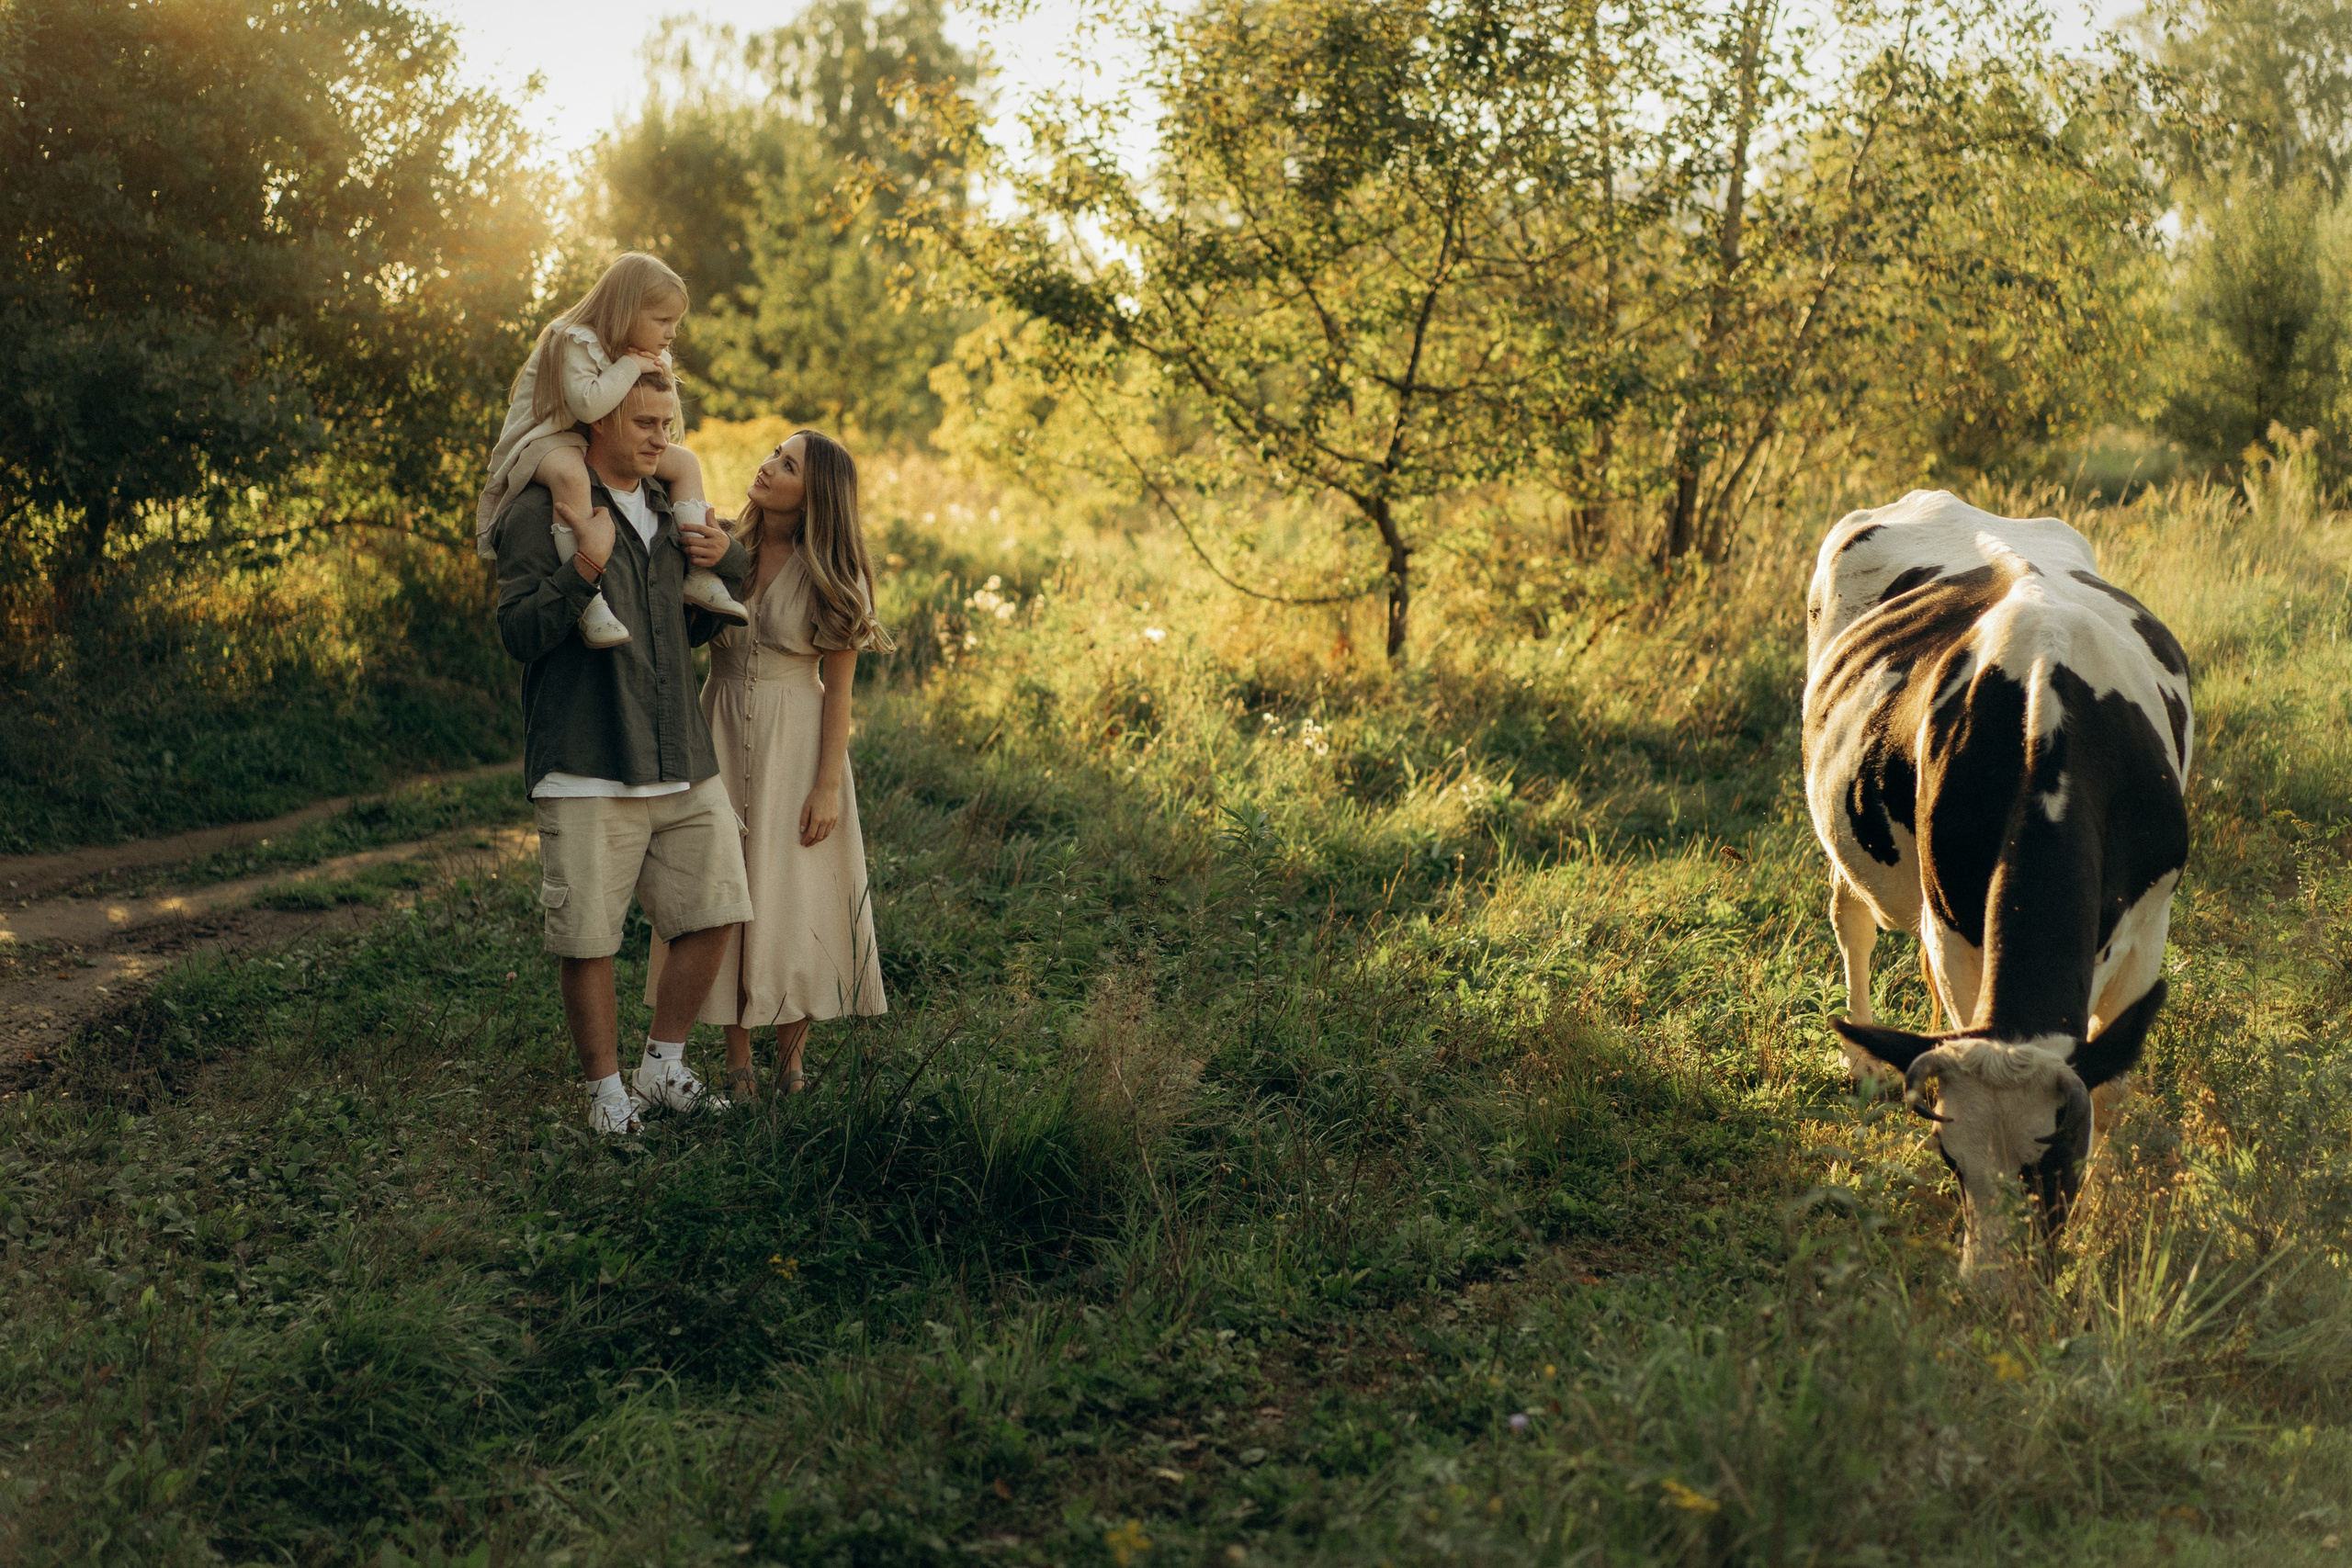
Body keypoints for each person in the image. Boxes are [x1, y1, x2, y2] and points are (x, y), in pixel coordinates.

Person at [492, 368, 757, 1134]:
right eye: (645, 423)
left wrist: (723, 556)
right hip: (585, 756)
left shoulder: (674, 510)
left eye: (667, 424)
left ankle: (662, 1065)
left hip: (680, 756)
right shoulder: (540, 511)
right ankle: (606, 1095)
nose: (660, 439)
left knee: (718, 908)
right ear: (598, 419)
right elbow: (518, 633)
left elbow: (699, 620)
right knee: (590, 939)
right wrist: (584, 568)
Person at [646, 430, 892, 1097]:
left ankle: (792, 1064)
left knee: (791, 894)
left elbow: (838, 693)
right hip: (718, 729)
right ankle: (737, 1063)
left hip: (797, 744)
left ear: (815, 495)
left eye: (788, 466)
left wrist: (826, 787)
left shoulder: (835, 576)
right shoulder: (724, 544)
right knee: (725, 891)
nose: (768, 467)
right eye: (773, 454)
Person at [478, 251, 748, 646]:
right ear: (626, 311)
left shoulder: (644, 349)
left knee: (686, 462)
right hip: (544, 438)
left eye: (675, 322)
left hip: (591, 436)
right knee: (572, 477)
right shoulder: (574, 338)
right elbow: (589, 405)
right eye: (662, 320)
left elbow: (661, 405)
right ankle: (590, 601)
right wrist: (632, 367)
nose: (672, 332)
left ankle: (700, 575)